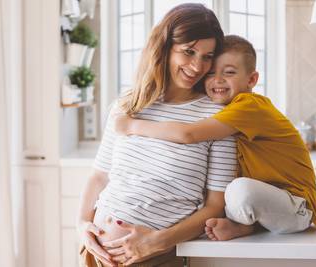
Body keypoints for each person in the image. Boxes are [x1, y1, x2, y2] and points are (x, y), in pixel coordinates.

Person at [115, 35, 316, 242]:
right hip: (267, 203)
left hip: (296, 206)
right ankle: (245, 225)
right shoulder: (226, 111)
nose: (218, 79)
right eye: (211, 73)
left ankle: (245, 227)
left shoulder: (250, 106)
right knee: (234, 191)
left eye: (229, 72)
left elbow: (189, 134)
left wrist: (132, 125)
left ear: (252, 80)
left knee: (240, 189)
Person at [77, 4, 238, 267]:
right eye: (189, 52)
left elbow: (215, 205)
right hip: (94, 255)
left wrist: (157, 242)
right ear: (164, 47)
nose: (198, 65)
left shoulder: (217, 117)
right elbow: (98, 176)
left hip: (156, 258)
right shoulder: (128, 105)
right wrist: (81, 225)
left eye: (207, 56)